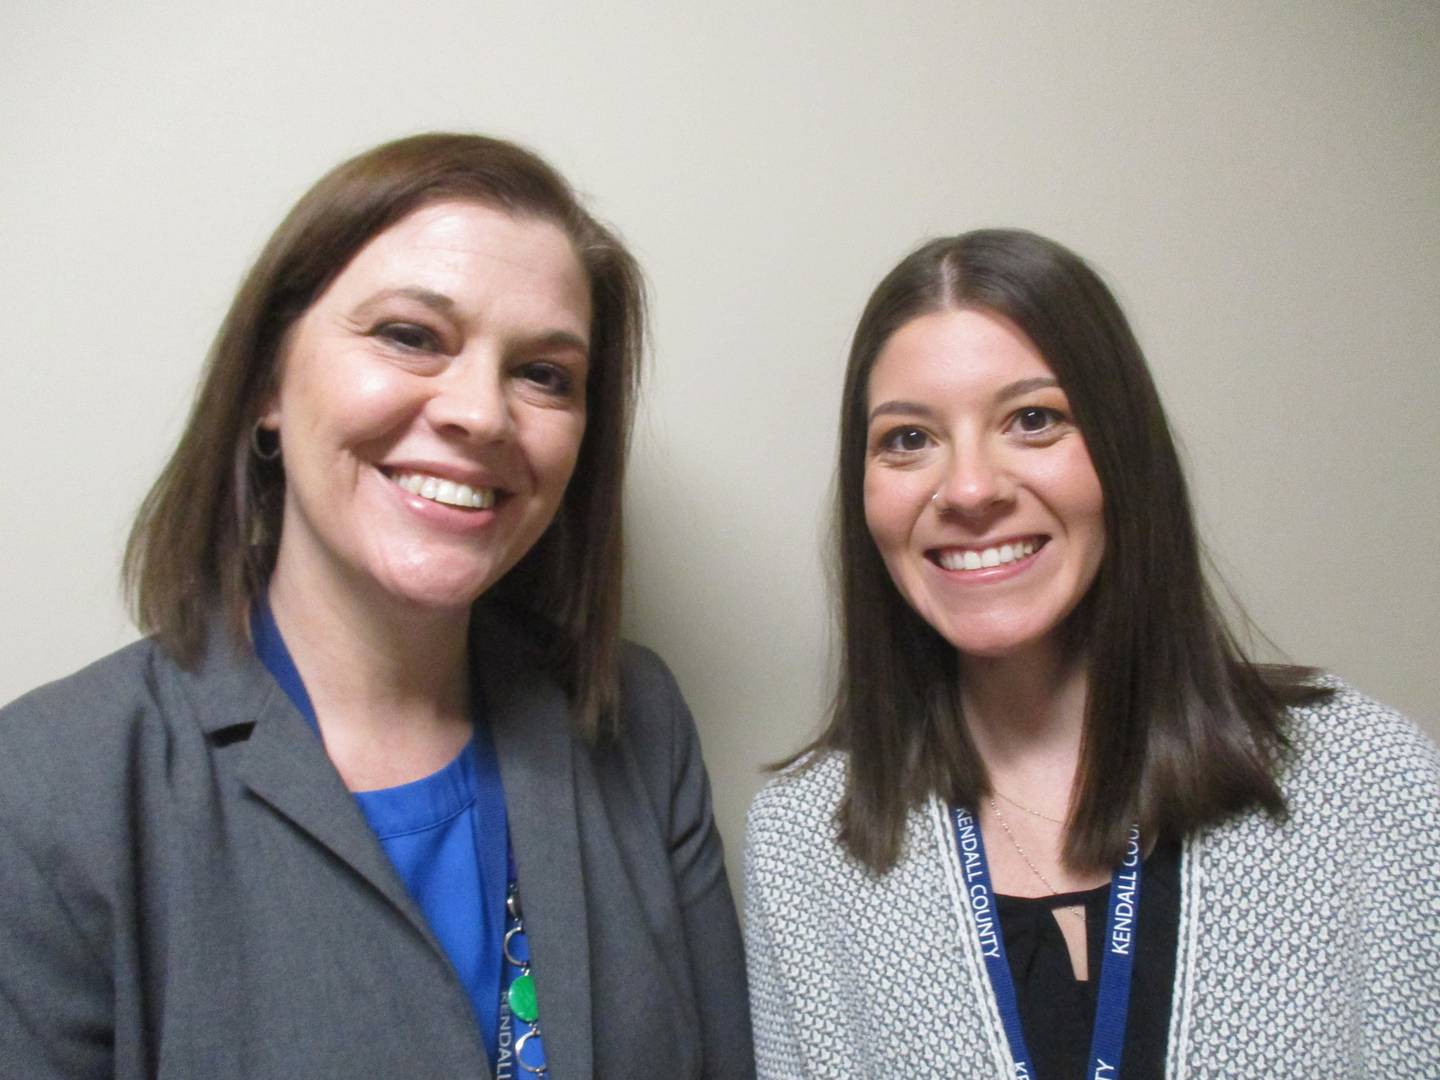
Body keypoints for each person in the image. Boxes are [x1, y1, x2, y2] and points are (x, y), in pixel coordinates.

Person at [0, 133, 752, 1080]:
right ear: (268, 382)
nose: (481, 413)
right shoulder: (44, 792)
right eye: (409, 336)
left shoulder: (638, 721)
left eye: (544, 375)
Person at [744, 228, 1439, 1077]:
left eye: (1034, 420)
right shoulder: (804, 844)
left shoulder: (1370, 783)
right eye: (909, 439)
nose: (969, 490)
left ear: (1123, 452)